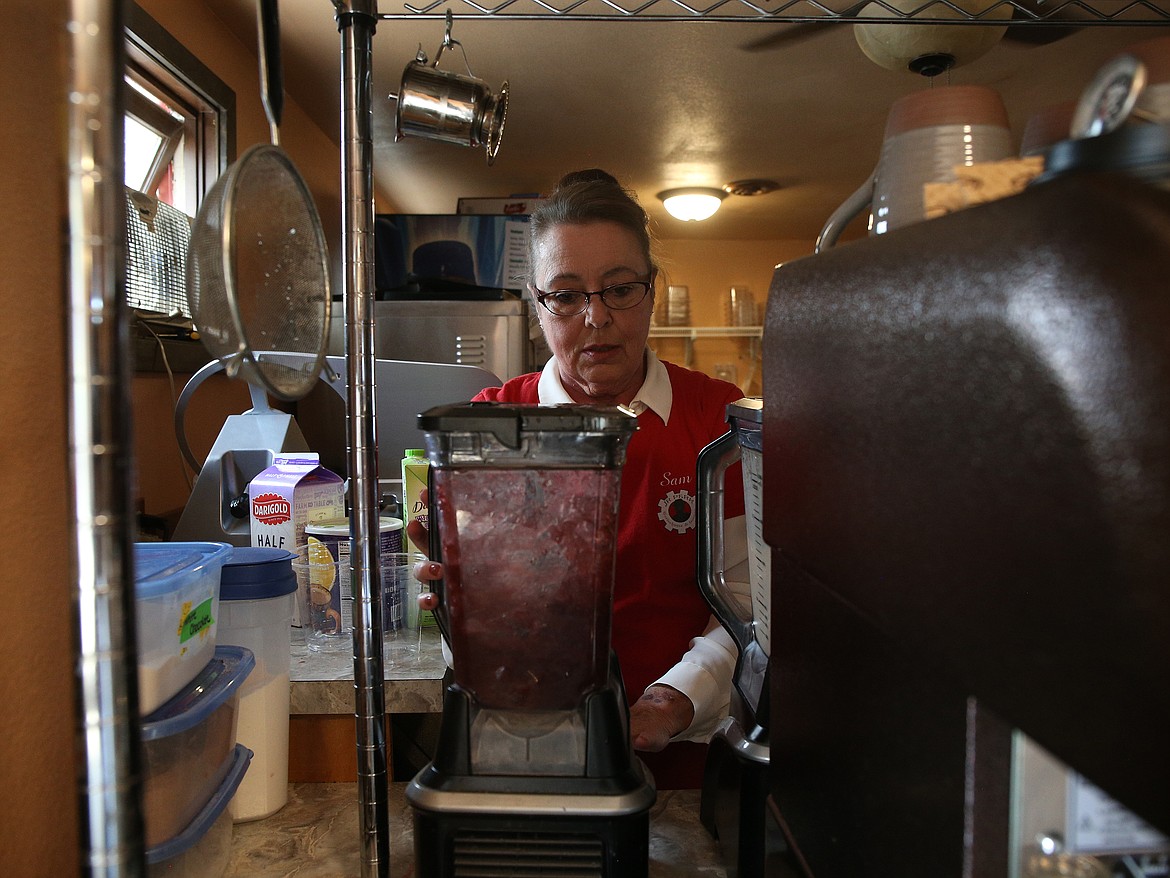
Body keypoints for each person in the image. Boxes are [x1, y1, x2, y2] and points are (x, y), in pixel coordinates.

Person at [411, 169, 748, 790]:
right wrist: (460, 596)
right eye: (566, 295)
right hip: (528, 749)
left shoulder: (717, 422)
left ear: (651, 290)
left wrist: (677, 697)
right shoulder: (485, 427)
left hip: (689, 764)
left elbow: (748, 597)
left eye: (619, 288)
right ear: (537, 306)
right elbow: (483, 622)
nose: (596, 318)